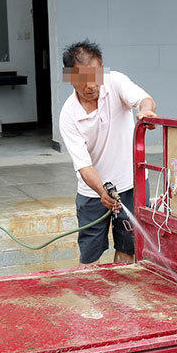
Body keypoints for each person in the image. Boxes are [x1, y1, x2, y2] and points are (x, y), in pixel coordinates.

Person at [58, 40, 157, 265]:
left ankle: (123, 287)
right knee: (89, 255)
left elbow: (144, 99)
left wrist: (146, 111)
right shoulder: (68, 115)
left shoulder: (116, 82)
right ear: (70, 78)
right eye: (83, 79)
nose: (91, 86)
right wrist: (102, 191)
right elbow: (83, 165)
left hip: (131, 184)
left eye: (95, 77)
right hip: (92, 193)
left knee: (128, 247)